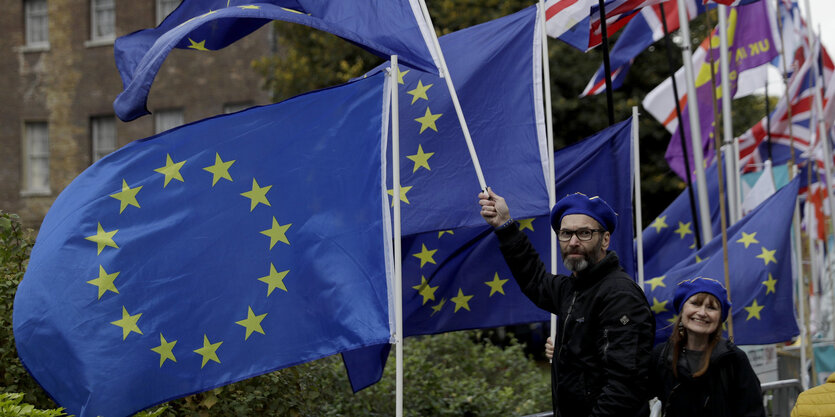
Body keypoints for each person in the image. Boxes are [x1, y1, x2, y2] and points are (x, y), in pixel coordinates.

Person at [478, 189, 654, 417]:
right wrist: (504, 224)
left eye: (584, 233)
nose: (573, 242)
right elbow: (534, 278)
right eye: (566, 234)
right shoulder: (573, 288)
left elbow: (624, 388)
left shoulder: (619, 295)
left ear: (605, 239)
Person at [649, 277, 765, 417]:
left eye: (711, 307)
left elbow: (753, 411)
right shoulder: (661, 356)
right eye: (695, 304)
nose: (702, 313)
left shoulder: (733, 360)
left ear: (719, 317)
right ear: (682, 309)